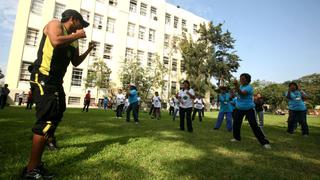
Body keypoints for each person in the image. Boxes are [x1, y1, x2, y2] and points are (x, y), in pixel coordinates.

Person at [22, 9, 94, 179]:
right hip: (43, 77)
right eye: (80, 24)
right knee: (47, 118)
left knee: (59, 110)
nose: (81, 28)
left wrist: (88, 50)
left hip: (56, 82)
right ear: (72, 19)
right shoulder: (55, 24)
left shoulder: (74, 41)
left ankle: (48, 140)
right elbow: (55, 41)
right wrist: (76, 36)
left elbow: (75, 62)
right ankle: (31, 169)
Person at [231, 73, 271, 149]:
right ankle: (237, 138)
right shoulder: (241, 86)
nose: (241, 80)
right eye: (240, 78)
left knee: (254, 125)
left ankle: (264, 142)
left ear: (247, 80)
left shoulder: (249, 87)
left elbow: (242, 94)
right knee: (236, 123)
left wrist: (236, 86)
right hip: (239, 109)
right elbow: (239, 95)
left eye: (243, 78)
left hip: (249, 109)